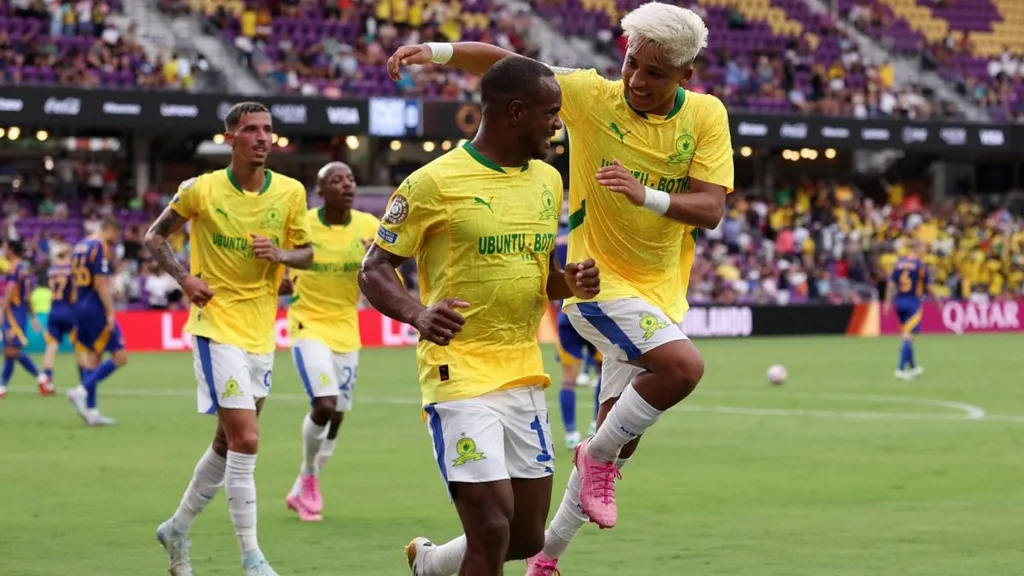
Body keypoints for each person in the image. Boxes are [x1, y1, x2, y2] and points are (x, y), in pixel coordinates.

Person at [386, 2, 734, 572]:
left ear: (684, 76)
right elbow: (509, 65)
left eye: (654, 73)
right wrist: (437, 53)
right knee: (682, 370)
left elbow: (712, 208)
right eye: (631, 64)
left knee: (617, 443)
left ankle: (528, 559)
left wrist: (644, 195)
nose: (636, 81)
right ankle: (593, 464)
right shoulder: (593, 96)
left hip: (661, 293)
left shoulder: (706, 116)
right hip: (598, 283)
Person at [359, 56, 600, 576]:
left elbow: (542, 272)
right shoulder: (433, 183)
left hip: (521, 368)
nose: (558, 125)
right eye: (550, 113)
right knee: (490, 527)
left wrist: (569, 283)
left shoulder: (546, 181)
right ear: (516, 112)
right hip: (458, 372)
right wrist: (417, 313)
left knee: (526, 535)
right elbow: (374, 269)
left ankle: (430, 565)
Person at [145, 101, 314, 576]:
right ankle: (251, 557)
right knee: (247, 438)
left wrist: (280, 255)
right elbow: (155, 236)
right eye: (252, 130)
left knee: (227, 441)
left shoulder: (292, 192)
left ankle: (176, 529)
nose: (263, 138)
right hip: (214, 325)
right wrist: (185, 278)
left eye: (268, 130)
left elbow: (306, 253)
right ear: (230, 139)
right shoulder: (201, 190)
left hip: (261, 330)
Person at [283, 161, 378, 522]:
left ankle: (299, 489)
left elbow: (386, 268)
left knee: (337, 416)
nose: (347, 185)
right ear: (320, 192)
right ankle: (309, 477)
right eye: (336, 180)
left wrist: (379, 259)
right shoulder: (302, 224)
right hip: (308, 325)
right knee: (324, 404)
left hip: (346, 329)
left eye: (351, 179)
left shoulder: (368, 227)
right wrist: (281, 281)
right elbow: (281, 260)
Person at [66, 217, 127, 426]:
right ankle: (80, 391)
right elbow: (101, 283)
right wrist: (110, 312)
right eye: (115, 237)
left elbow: (73, 280)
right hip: (95, 306)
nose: (114, 242)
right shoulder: (99, 246)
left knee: (94, 357)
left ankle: (91, 412)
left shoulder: (79, 246)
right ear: (110, 230)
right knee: (120, 356)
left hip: (80, 305)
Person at [553, 218, 602, 449]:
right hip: (595, 314)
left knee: (568, 380)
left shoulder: (558, 239)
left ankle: (571, 433)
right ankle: (597, 426)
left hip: (567, 314)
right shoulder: (592, 233)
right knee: (606, 374)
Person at [0, 240, 48, 398]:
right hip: (18, 312)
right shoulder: (23, 269)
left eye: (6, 248)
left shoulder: (15, 268)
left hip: (13, 313)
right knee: (10, 351)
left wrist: (1, 310)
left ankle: (40, 377)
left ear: (11, 250)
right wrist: (33, 317)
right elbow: (27, 296)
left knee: (11, 350)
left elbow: (10, 290)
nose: (4, 251)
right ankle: (3, 386)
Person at [883, 240, 936, 380]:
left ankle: (913, 368)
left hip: (899, 302)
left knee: (907, 335)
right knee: (908, 336)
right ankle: (900, 369)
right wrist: (938, 301)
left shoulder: (899, 263)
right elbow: (929, 287)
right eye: (923, 248)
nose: (924, 251)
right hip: (913, 303)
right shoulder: (920, 266)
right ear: (917, 249)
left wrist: (887, 302)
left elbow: (890, 283)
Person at [42, 243, 86, 393]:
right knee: (79, 347)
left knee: (51, 347)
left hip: (54, 310)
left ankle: (47, 381)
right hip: (70, 311)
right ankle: (84, 382)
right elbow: (75, 293)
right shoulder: (71, 270)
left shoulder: (52, 270)